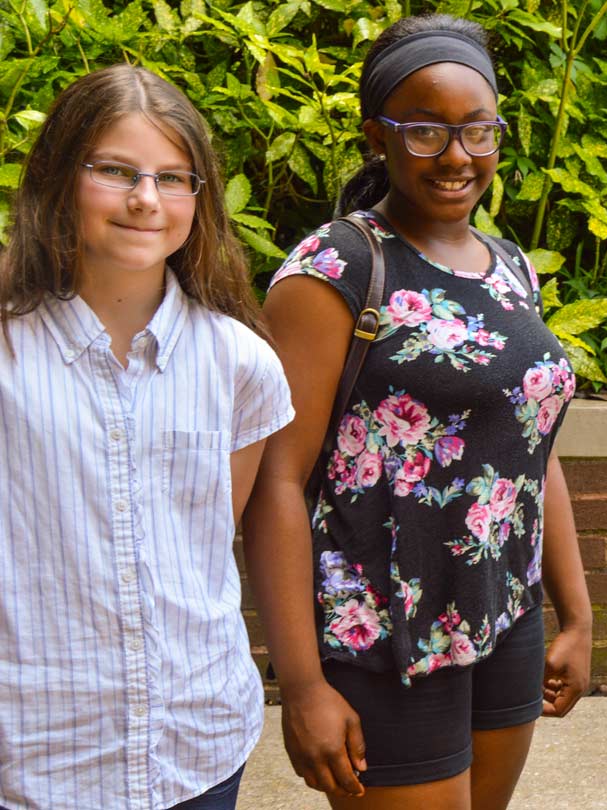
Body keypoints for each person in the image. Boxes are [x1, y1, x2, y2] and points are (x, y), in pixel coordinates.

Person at [242, 13, 592, 810]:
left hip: (504, 618)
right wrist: (299, 685)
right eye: (426, 131)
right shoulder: (336, 268)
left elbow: (532, 447)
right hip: (382, 634)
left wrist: (575, 608)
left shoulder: (511, 266)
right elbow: (277, 485)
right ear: (378, 136)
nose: (458, 156)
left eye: (479, 131)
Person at [0, 65, 293, 810]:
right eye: (116, 171)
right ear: (62, 178)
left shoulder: (239, 361)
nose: (144, 200)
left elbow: (205, 545)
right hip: (34, 752)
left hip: (194, 745)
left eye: (172, 177)